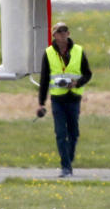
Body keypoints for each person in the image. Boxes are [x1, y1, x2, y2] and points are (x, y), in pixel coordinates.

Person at [36, 22, 92, 177]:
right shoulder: (48, 53)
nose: (62, 34)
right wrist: (41, 103)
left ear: (68, 33)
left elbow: (88, 74)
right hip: (57, 99)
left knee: (73, 133)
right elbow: (44, 79)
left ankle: (69, 158)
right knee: (60, 133)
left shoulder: (79, 51)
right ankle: (65, 167)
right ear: (54, 35)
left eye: (64, 31)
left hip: (74, 98)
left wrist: (77, 83)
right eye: (59, 32)